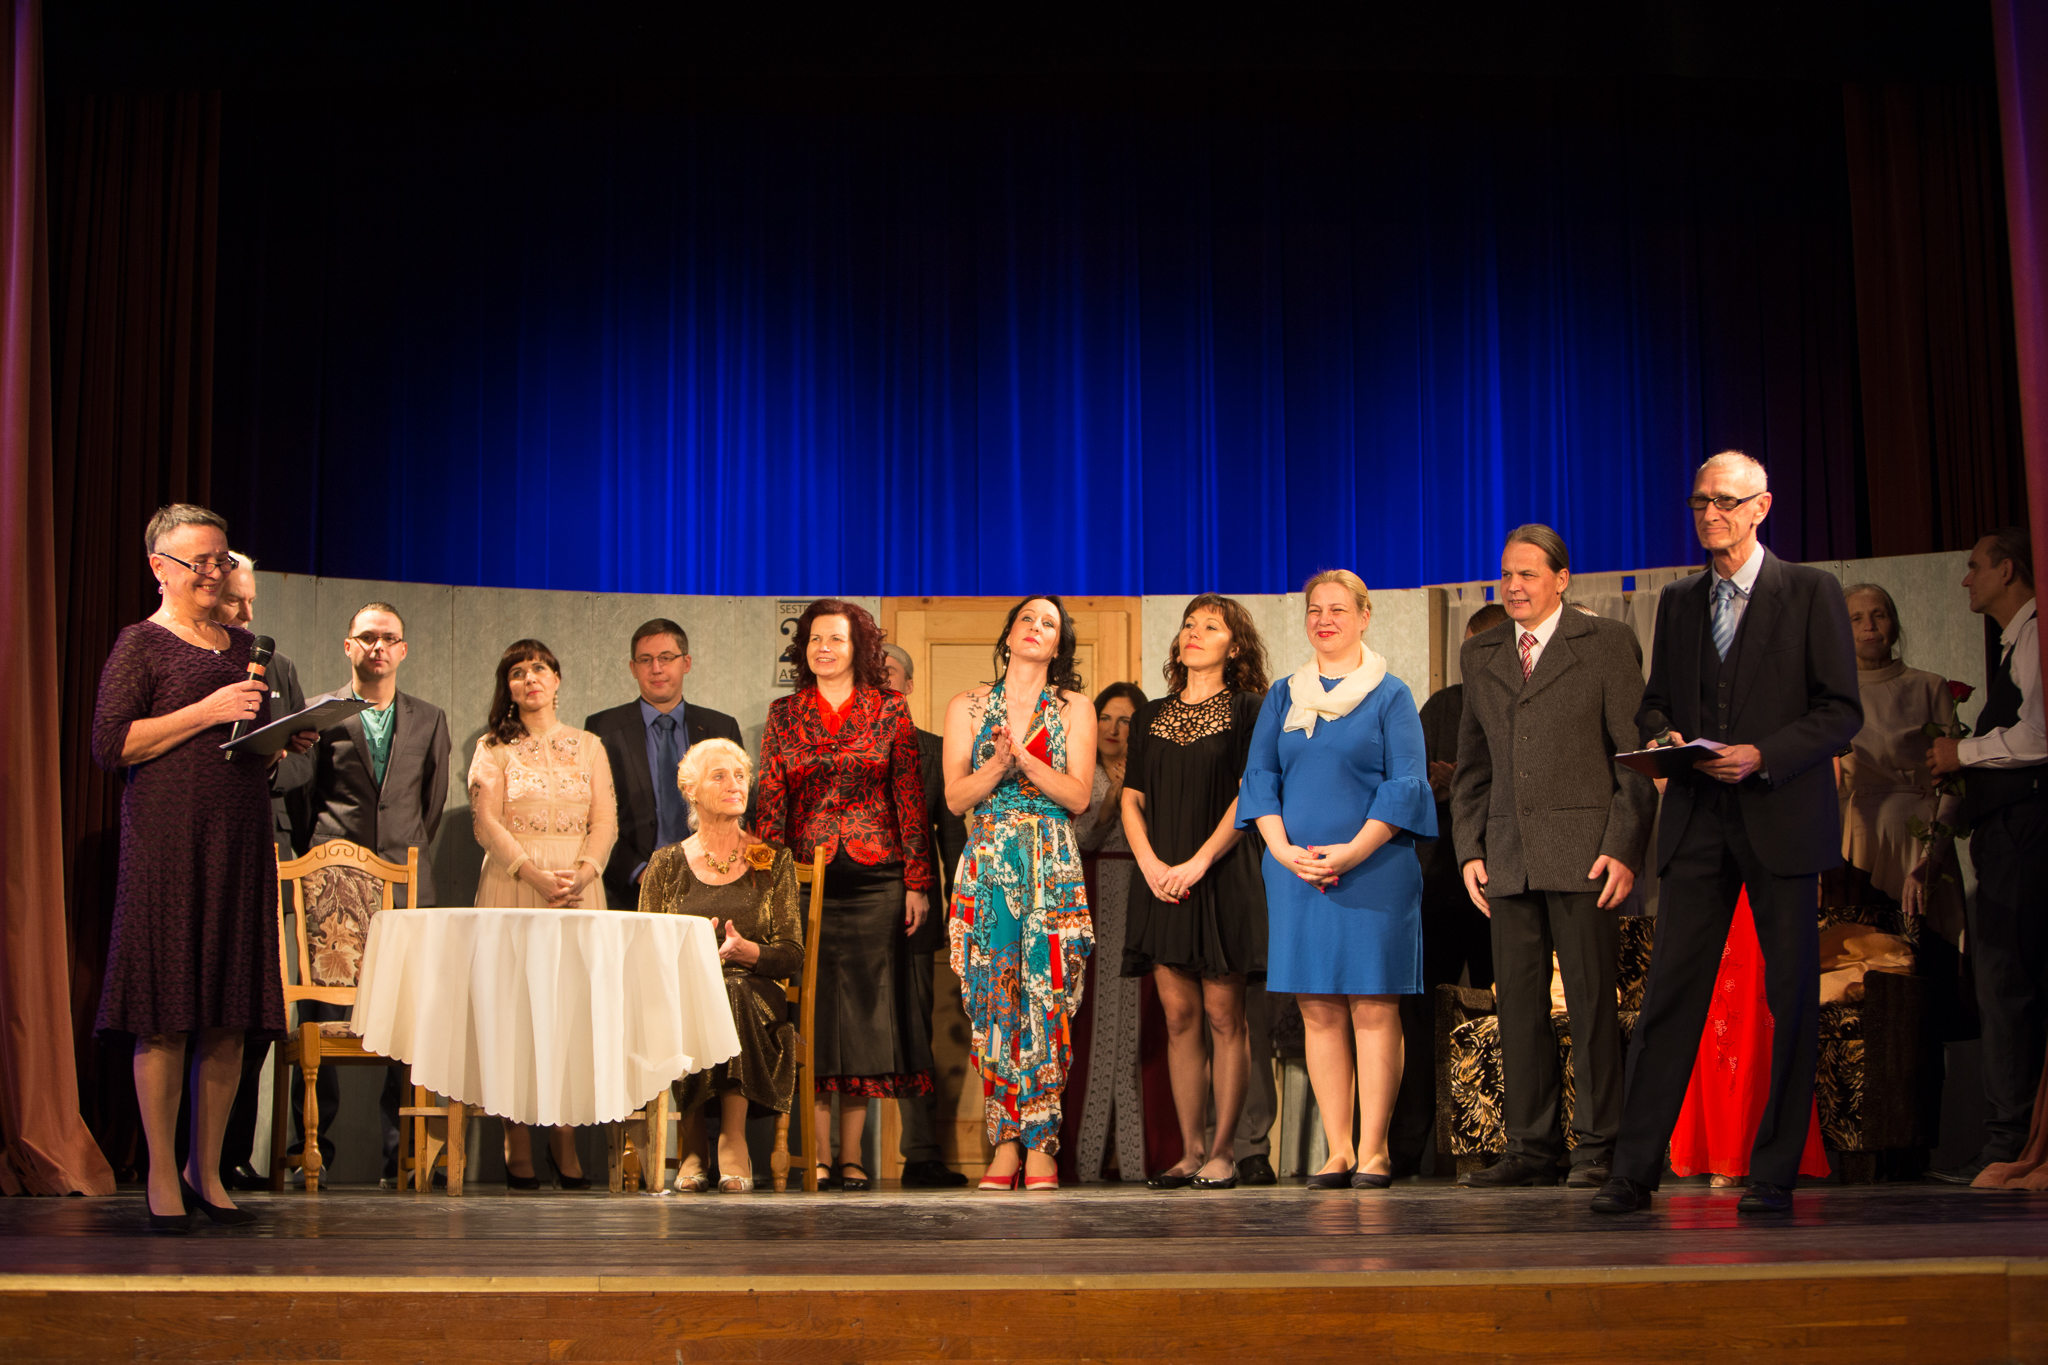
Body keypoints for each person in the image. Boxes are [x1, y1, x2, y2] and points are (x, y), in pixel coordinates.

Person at [1595, 452, 1861, 1217]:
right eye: (1700, 501)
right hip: (1697, 820)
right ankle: (1633, 1170)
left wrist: (1762, 755)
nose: (1710, 513)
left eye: (1726, 501)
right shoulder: (1680, 601)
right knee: (1670, 996)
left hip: (1781, 815)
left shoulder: (1810, 590)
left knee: (1790, 998)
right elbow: (1654, 704)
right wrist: (1664, 736)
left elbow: (1840, 711)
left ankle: (1772, 1172)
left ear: (1761, 506)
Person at [90, 505, 314, 1233]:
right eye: (201, 562)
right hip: (167, 843)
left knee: (229, 1013)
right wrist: (208, 709)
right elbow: (112, 744)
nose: (215, 572)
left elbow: (243, 744)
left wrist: (281, 739)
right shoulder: (142, 643)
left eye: (221, 559)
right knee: (165, 1014)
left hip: (240, 839)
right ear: (161, 567)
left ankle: (206, 1170)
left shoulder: (245, 646)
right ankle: (161, 1171)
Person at [1452, 526, 1656, 1191]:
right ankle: (1530, 1147)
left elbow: (1634, 758)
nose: (1513, 587)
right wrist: (1469, 849)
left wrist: (1623, 847)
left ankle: (1599, 1146)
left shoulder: (1605, 643)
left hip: (1586, 853)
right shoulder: (1481, 651)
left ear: (1561, 579)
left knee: (1592, 1003)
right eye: (1506, 575)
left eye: (1528, 575)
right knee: (1518, 1004)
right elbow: (1472, 765)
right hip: (1508, 856)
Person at [1238, 570, 1436, 1190]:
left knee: (1373, 1007)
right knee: (1318, 1009)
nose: (1324, 620)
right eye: (1315, 610)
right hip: (1297, 873)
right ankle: (1338, 1150)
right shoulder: (1283, 696)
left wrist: (1350, 853)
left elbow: (1406, 786)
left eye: (1338, 609)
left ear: (1364, 616)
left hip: (1373, 870)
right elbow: (1259, 780)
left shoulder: (1390, 694)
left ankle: (1374, 1150)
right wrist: (1282, 850)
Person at [755, 600, 933, 1192]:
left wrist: (918, 881)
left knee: (864, 1016)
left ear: (859, 647)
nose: (823, 649)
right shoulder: (784, 714)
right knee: (810, 1015)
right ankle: (817, 1156)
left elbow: (909, 797)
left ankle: (852, 1155)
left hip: (878, 878)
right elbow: (770, 802)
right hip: (804, 881)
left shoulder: (890, 709)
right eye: (814, 639)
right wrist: (766, 885)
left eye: (835, 639)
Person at [290, 601, 453, 1183]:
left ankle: (403, 1156)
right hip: (332, 884)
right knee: (320, 1013)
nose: (377, 647)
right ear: (348, 646)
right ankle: (312, 1153)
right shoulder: (321, 713)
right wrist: (330, 860)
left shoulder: (429, 718)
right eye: (366, 637)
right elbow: (303, 799)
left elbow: (430, 803)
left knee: (410, 1019)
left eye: (388, 638)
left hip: (407, 885)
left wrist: (400, 854)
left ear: (402, 649)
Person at [943, 595, 1096, 1190]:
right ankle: (1004, 1145)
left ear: (1058, 645)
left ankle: (1042, 1146)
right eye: (1026, 619)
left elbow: (1079, 797)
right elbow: (955, 797)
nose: (1036, 628)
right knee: (994, 1003)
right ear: (1008, 635)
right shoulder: (967, 705)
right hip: (989, 862)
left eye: (1048, 624)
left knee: (1048, 1001)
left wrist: (1027, 762)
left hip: (1050, 865)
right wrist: (995, 767)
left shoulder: (1074, 707)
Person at [1120, 595, 1271, 1190]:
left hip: (1222, 871)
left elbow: (1249, 795)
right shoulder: (1150, 715)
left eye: (1211, 626)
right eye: (1189, 624)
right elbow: (1132, 798)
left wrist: (1198, 862)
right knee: (1179, 1016)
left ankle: (1225, 1151)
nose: (1195, 633)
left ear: (1234, 647)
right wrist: (1152, 864)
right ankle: (1189, 1152)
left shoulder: (1249, 709)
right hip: (1160, 876)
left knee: (1223, 1015)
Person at [467, 638, 619, 1188]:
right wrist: (531, 873)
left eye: (539, 669)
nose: (529, 678)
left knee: (569, 1013)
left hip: (578, 890)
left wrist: (585, 872)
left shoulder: (590, 745)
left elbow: (606, 821)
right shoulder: (491, 748)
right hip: (514, 884)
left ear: (557, 680)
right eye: (517, 672)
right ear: (507, 687)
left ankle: (564, 1136)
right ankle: (515, 1138)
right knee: (514, 1012)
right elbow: (486, 823)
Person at [1929, 528, 2046, 1185]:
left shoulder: (2034, 636)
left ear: (2007, 569)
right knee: (2006, 983)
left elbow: (2041, 734)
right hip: (2010, 833)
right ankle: (2012, 1133)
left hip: (2025, 832)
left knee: (2008, 984)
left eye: (1976, 566)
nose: (1967, 578)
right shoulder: (2016, 642)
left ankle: (2010, 1141)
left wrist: (1962, 753)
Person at [638, 739, 803, 1193]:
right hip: (682, 993)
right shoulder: (666, 864)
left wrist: (747, 951)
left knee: (730, 991)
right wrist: (691, 959)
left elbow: (792, 952)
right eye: (720, 776)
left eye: (741, 776)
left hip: (754, 994)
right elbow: (644, 950)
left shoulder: (771, 860)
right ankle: (694, 1141)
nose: (735, 785)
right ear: (690, 790)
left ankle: (732, 1138)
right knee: (702, 995)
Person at [1387, 602, 1506, 1177]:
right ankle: (1409, 1148)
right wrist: (1445, 783)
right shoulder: (1442, 705)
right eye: (1471, 648)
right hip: (1437, 882)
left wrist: (1463, 780)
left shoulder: (1520, 700)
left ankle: (1504, 1139)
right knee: (1421, 1015)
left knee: (1504, 1009)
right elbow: (1412, 782)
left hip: (1503, 884)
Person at [209, 554, 315, 1192]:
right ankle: (184, 1156)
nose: (248, 614)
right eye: (234, 602)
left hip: (264, 843)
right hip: (200, 837)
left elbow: (302, 768)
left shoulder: (278, 666)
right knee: (199, 1006)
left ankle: (232, 1155)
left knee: (252, 1009)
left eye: (252, 602)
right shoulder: (192, 661)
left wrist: (278, 752)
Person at [880, 643, 970, 1189]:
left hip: (916, 912)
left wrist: (962, 912)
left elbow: (953, 840)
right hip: (844, 909)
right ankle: (836, 1157)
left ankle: (920, 1152)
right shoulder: (837, 748)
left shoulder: (934, 751)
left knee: (915, 1028)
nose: (879, 680)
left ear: (908, 685)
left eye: (888, 672)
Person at [585, 618, 744, 914]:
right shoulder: (603, 729)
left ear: (686, 663)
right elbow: (592, 816)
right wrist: (641, 873)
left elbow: (737, 808)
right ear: (633, 668)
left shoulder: (720, 727)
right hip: (630, 890)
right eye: (645, 660)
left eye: (666, 658)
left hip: (711, 883)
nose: (656, 668)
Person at [1070, 680, 1150, 1182]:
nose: (1114, 729)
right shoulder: (1079, 771)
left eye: (1126, 721)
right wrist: (1111, 800)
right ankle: (1087, 1154)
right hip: (1090, 890)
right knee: (1092, 1017)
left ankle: (1135, 1152)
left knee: (1139, 1022)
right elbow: (1080, 838)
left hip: (1141, 890)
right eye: (1106, 718)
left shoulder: (1151, 771)